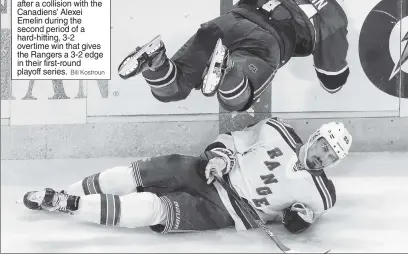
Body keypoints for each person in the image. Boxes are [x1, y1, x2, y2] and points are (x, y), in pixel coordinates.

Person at [23, 117, 352, 235]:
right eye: (324, 146)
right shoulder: (276, 130)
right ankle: (61, 193)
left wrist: (298, 222)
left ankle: (71, 203)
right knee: (140, 173)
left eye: (331, 156)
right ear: (316, 137)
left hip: (226, 212)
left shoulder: (323, 195)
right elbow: (231, 140)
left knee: (155, 208)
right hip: (206, 173)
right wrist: (219, 158)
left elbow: (297, 222)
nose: (323, 156)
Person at [117, 0, 354, 112]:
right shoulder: (332, 14)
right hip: (267, 40)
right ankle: (229, 68)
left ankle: (155, 60)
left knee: (175, 87)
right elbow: (331, 79)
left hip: (230, 21)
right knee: (236, 100)